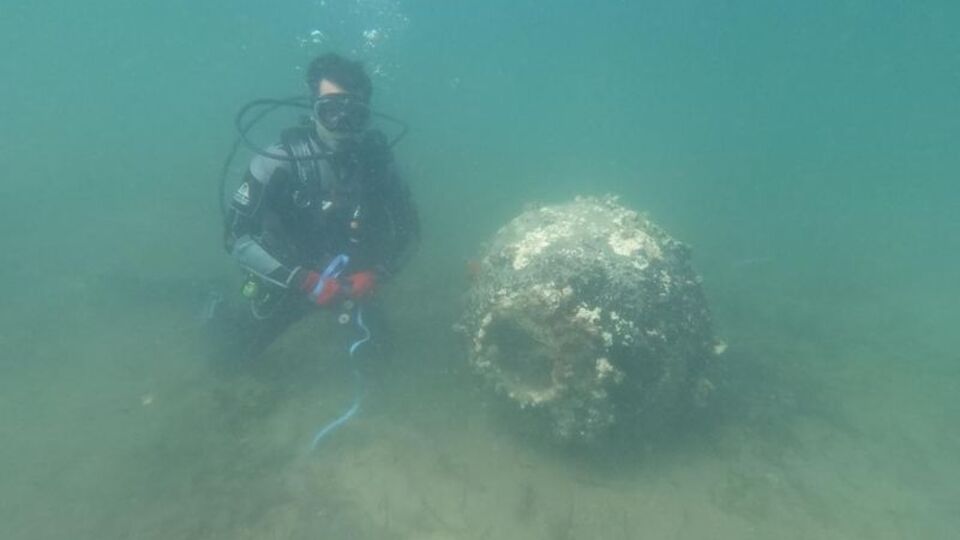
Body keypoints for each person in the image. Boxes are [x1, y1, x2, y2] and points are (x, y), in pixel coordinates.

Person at [219, 53, 419, 360]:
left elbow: (411, 231)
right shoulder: (278, 162)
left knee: (382, 357)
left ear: (366, 115)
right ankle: (210, 300)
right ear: (313, 108)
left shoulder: (378, 164)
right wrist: (305, 280)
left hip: (352, 281)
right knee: (233, 359)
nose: (341, 124)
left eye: (354, 114)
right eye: (331, 111)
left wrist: (377, 274)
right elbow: (236, 237)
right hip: (289, 278)